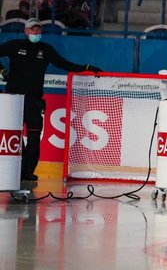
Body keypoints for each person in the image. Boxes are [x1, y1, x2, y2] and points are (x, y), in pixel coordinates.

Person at [0, 18, 102, 181]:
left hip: (34, 100)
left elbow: (64, 64)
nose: (36, 33)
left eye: (38, 30)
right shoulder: (15, 45)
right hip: (14, 101)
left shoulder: (46, 49)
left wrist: (87, 68)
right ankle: (15, 169)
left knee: (34, 138)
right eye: (33, 30)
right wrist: (2, 70)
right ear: (26, 32)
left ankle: (27, 172)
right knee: (14, 137)